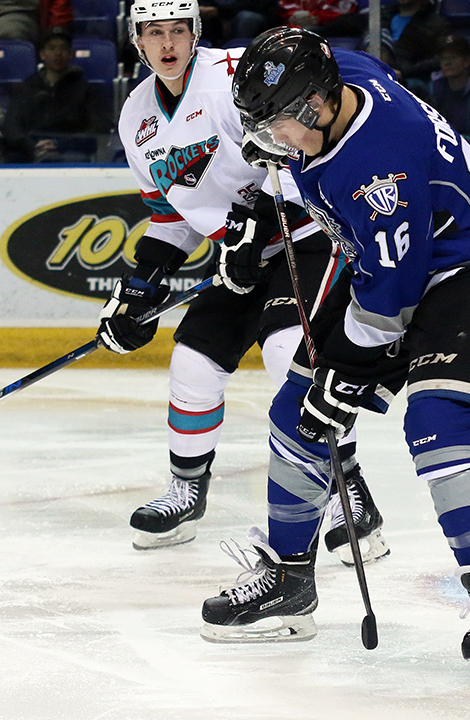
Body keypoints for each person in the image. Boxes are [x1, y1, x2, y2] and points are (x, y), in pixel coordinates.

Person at [217, 27, 470, 683]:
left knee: (437, 423)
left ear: (316, 104)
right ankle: (288, 576)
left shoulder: (378, 169)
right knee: (295, 416)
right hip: (390, 262)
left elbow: (389, 305)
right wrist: (256, 196)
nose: (274, 138)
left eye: (281, 123)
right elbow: (376, 264)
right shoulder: (343, 75)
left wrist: (347, 377)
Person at [104, 0, 388, 565]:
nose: (168, 44)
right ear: (137, 42)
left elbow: (292, 155)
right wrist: (142, 282)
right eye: (155, 33)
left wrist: (251, 227)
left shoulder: (236, 75)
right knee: (191, 361)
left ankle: (345, 491)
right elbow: (171, 214)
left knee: (289, 351)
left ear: (196, 33)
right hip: (237, 257)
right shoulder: (134, 115)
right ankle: (186, 489)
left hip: (302, 234)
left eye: (178, 31)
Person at [1, 28, 101, 163]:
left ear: (71, 54)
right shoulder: (26, 88)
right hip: (29, 150)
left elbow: (96, 126)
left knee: (76, 159)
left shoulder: (84, 89)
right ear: (42, 55)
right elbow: (11, 125)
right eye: (52, 48)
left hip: (70, 150)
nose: (57, 53)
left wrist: (60, 144)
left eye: (63, 48)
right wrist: (32, 145)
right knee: (13, 159)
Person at [420, 34, 470, 143]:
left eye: (453, 57)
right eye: (444, 58)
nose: (447, 63)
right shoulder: (433, 88)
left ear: (466, 61)